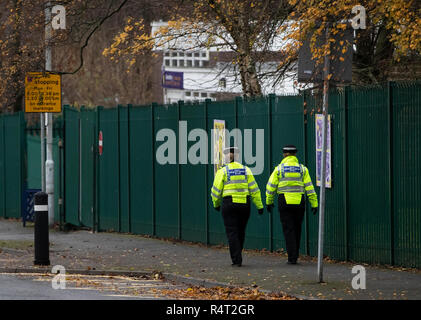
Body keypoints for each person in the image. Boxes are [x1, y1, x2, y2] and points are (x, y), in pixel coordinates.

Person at [211, 147, 264, 267]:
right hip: (244, 204)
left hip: (229, 204)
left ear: (226, 158)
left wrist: (216, 204)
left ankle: (237, 259)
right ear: (238, 157)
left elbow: (216, 191)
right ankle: (238, 255)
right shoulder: (246, 170)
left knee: (232, 232)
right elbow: (254, 189)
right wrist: (259, 206)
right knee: (241, 231)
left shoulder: (223, 171)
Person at [266, 145, 318, 264]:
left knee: (288, 229)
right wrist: (314, 203)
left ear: (284, 154)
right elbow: (309, 187)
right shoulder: (302, 169)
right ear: (295, 154)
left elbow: (271, 186)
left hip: (284, 201)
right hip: (299, 201)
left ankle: (292, 257)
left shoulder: (279, 169)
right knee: (297, 228)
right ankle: (295, 254)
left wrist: (269, 202)